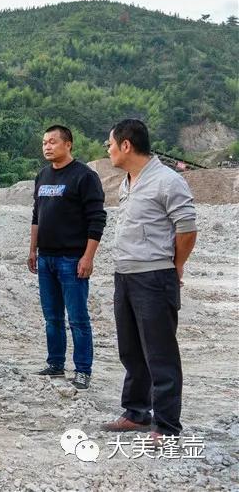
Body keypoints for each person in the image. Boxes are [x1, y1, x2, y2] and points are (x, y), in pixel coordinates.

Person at [101, 119, 197, 442]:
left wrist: (175, 265)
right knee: (131, 350)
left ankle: (167, 426)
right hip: (125, 275)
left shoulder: (167, 181)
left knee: (160, 352)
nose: (108, 149)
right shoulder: (128, 181)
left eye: (110, 144)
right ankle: (136, 412)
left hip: (154, 277)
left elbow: (187, 230)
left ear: (126, 145)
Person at [27, 125, 107, 390]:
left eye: (52, 142)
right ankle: (55, 363)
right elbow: (37, 216)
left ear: (68, 144)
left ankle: (83, 369)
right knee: (52, 316)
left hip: (72, 259)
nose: (47, 146)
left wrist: (88, 257)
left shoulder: (84, 176)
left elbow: (97, 219)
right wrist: (32, 249)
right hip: (46, 258)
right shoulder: (42, 176)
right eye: (44, 142)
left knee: (77, 318)